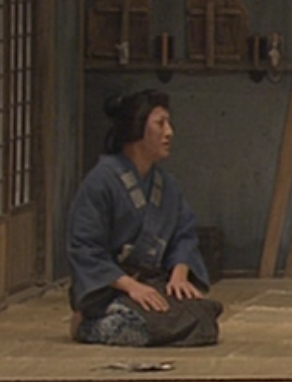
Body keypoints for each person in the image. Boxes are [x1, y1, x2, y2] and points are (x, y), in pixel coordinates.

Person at [66, 89, 222, 346]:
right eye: (161, 123)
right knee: (145, 324)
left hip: (153, 282)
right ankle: (87, 326)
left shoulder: (167, 185)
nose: (169, 132)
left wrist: (179, 275)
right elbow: (85, 248)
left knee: (204, 317)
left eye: (168, 123)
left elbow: (184, 235)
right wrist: (131, 286)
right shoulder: (101, 181)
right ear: (137, 127)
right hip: (111, 288)